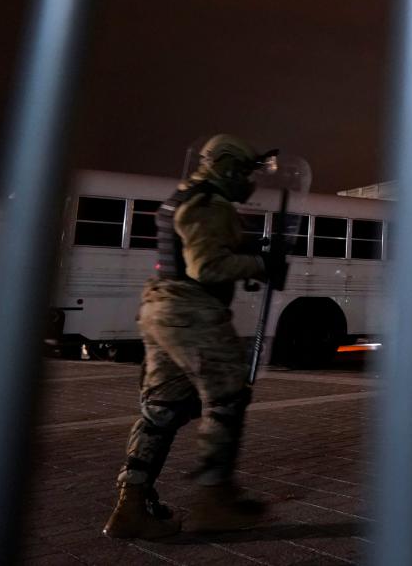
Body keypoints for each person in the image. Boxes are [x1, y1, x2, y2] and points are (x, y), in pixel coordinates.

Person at [104, 135, 279, 539]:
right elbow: (207, 267)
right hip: (191, 310)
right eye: (243, 171)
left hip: (161, 307)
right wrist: (260, 263)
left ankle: (130, 506)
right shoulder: (211, 203)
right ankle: (214, 500)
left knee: (161, 409)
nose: (247, 181)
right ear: (226, 167)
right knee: (228, 396)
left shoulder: (182, 196)